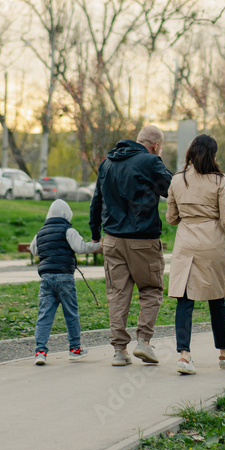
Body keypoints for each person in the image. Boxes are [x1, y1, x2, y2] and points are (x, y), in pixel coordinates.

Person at [166, 134, 225, 375]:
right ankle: (224, 353)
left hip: (185, 243)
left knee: (184, 300)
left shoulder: (177, 180)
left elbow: (171, 219)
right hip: (212, 243)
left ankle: (184, 356)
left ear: (191, 153)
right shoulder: (219, 180)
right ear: (212, 155)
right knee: (217, 299)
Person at [90, 124, 172, 366]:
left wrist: (96, 233)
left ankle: (119, 350)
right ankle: (144, 341)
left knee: (117, 294)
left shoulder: (107, 163)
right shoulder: (150, 162)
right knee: (151, 289)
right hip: (143, 239)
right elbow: (172, 190)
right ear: (156, 146)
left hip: (113, 239)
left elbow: (97, 199)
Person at [30, 198, 103, 366]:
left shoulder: (40, 232)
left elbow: (34, 250)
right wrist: (97, 245)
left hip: (46, 278)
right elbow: (80, 248)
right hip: (64, 277)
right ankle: (75, 350)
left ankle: (40, 352)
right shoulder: (68, 230)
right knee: (71, 314)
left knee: (44, 315)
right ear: (66, 214)